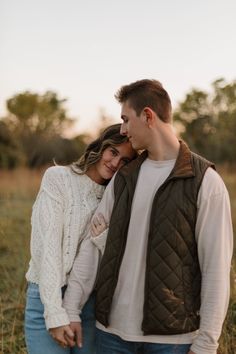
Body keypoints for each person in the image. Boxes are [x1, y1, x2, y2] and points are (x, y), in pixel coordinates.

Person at [59, 79, 233, 354]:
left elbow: (216, 269)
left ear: (148, 116)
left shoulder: (206, 183)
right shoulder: (123, 179)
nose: (123, 129)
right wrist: (70, 309)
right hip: (111, 336)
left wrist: (206, 343)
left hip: (173, 342)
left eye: (126, 119)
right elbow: (93, 247)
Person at [24, 123, 136, 354]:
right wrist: (55, 313)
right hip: (46, 297)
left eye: (124, 161)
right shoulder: (58, 178)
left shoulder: (116, 198)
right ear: (101, 146)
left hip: (89, 304)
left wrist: (104, 239)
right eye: (113, 152)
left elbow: (114, 259)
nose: (115, 164)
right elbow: (49, 247)